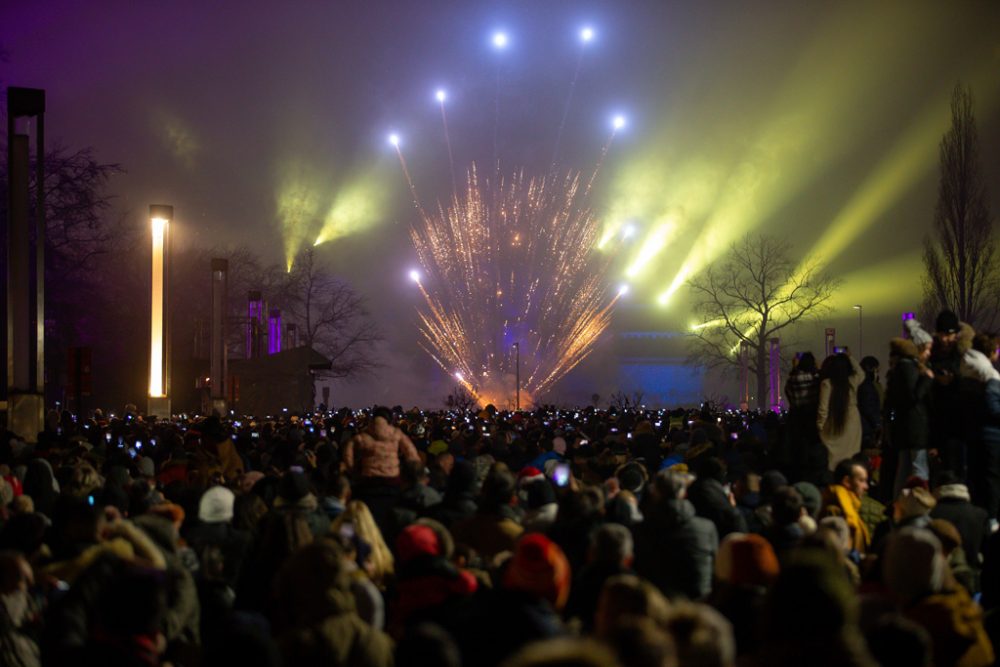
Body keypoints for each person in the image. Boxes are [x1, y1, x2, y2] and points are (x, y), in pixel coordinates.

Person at [342, 407, 421, 533]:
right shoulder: (396, 433)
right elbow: (412, 455)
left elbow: (347, 453)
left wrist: (354, 472)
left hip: (368, 481)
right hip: (393, 480)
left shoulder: (363, 435)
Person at [884, 336, 933, 498]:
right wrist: (927, 378)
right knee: (919, 468)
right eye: (926, 349)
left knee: (903, 470)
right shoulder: (909, 368)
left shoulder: (896, 371)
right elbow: (914, 396)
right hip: (915, 429)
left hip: (904, 429)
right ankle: (921, 504)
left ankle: (899, 503)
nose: (928, 353)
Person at [816, 353, 864, 473]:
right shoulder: (852, 381)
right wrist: (850, 357)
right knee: (851, 454)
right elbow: (861, 373)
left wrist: (820, 426)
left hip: (834, 423)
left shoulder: (827, 384)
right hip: (853, 422)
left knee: (833, 459)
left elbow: (823, 409)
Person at [820, 459, 872, 555]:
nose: (866, 486)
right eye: (861, 480)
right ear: (847, 481)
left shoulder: (851, 507)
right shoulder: (835, 511)